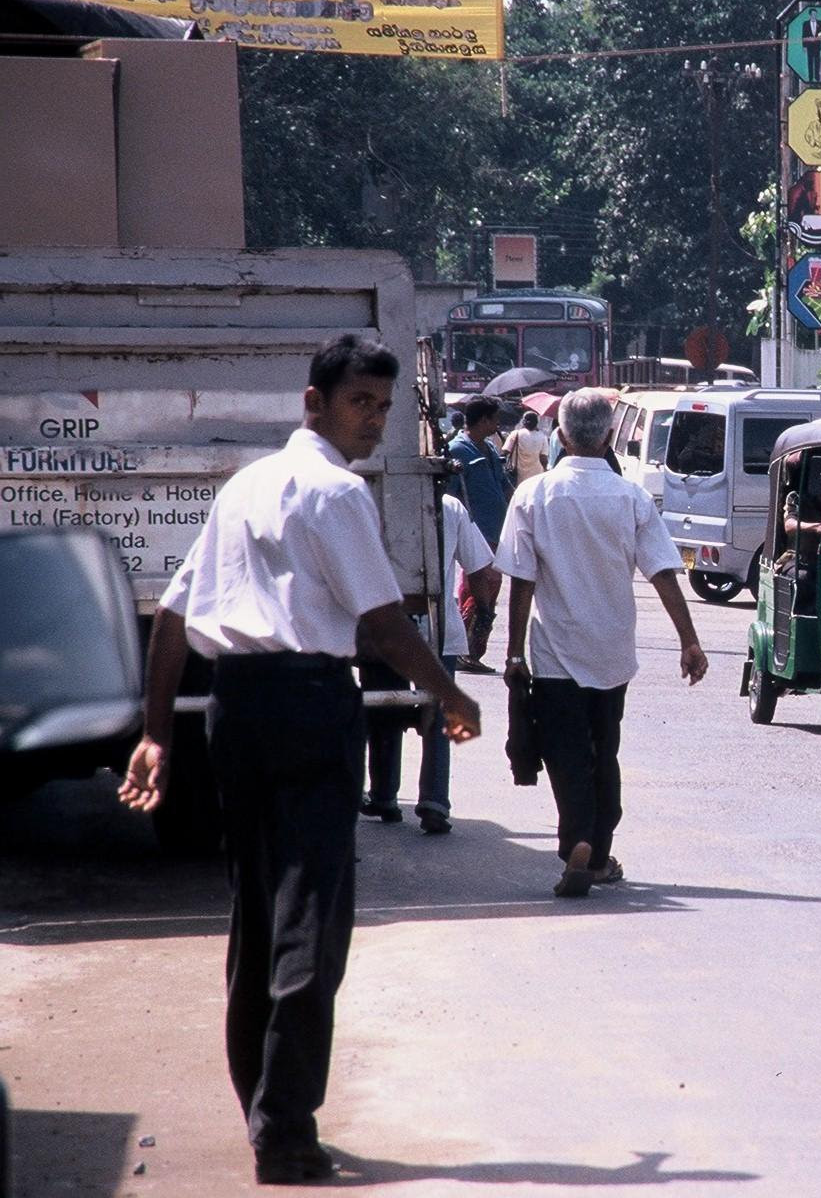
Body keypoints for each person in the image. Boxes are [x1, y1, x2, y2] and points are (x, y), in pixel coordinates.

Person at [116, 335, 482, 1185]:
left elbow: (174, 619)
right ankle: (284, 1132)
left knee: (257, 914)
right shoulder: (334, 493)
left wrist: (158, 732)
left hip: (237, 711)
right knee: (311, 919)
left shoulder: (243, 487)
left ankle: (264, 1110)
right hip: (309, 704)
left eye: (385, 409)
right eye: (361, 403)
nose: (374, 422)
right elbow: (384, 625)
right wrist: (449, 696)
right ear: (313, 402)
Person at [497, 388, 710, 896]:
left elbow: (521, 581)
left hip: (553, 653)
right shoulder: (630, 497)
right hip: (611, 652)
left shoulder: (533, 495)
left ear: (561, 436)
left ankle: (578, 843)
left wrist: (512, 652)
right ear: (610, 435)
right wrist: (690, 641)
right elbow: (663, 572)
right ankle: (598, 849)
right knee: (604, 750)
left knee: (567, 754)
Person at [361, 493, 498, 833]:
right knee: (440, 714)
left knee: (383, 709)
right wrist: (484, 614)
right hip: (438, 629)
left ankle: (383, 796)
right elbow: (483, 570)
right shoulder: (449, 506)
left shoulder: (365, 497)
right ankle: (435, 802)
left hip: (382, 629)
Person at [448, 396, 514, 672]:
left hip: (496, 530)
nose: (498, 424)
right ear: (484, 420)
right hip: (475, 530)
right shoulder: (457, 450)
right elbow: (450, 492)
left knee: (491, 590)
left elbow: (503, 484)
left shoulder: (487, 448)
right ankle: (464, 650)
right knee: (478, 589)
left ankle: (474, 651)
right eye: (495, 418)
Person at [502, 410, 550, 486]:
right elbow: (543, 458)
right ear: (536, 423)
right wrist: (546, 470)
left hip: (518, 477)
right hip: (536, 477)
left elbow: (505, 452)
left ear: (523, 422)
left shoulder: (515, 434)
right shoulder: (542, 437)